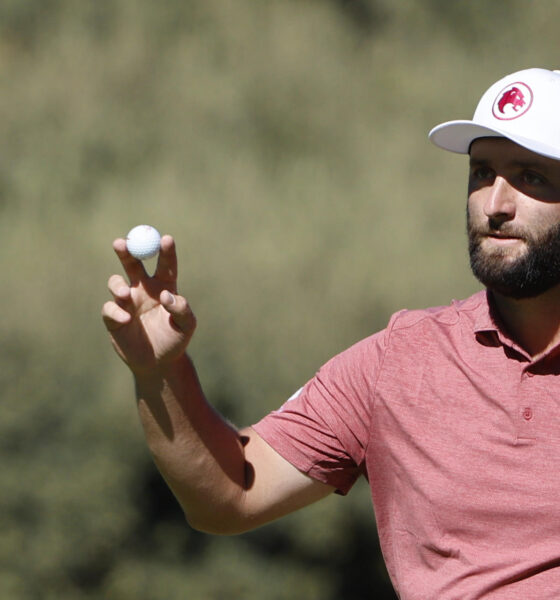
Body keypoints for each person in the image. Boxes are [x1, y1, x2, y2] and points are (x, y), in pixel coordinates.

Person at [102, 68, 560, 598]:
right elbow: (231, 495)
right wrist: (161, 372)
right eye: (482, 173)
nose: (495, 204)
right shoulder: (399, 361)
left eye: (531, 177)